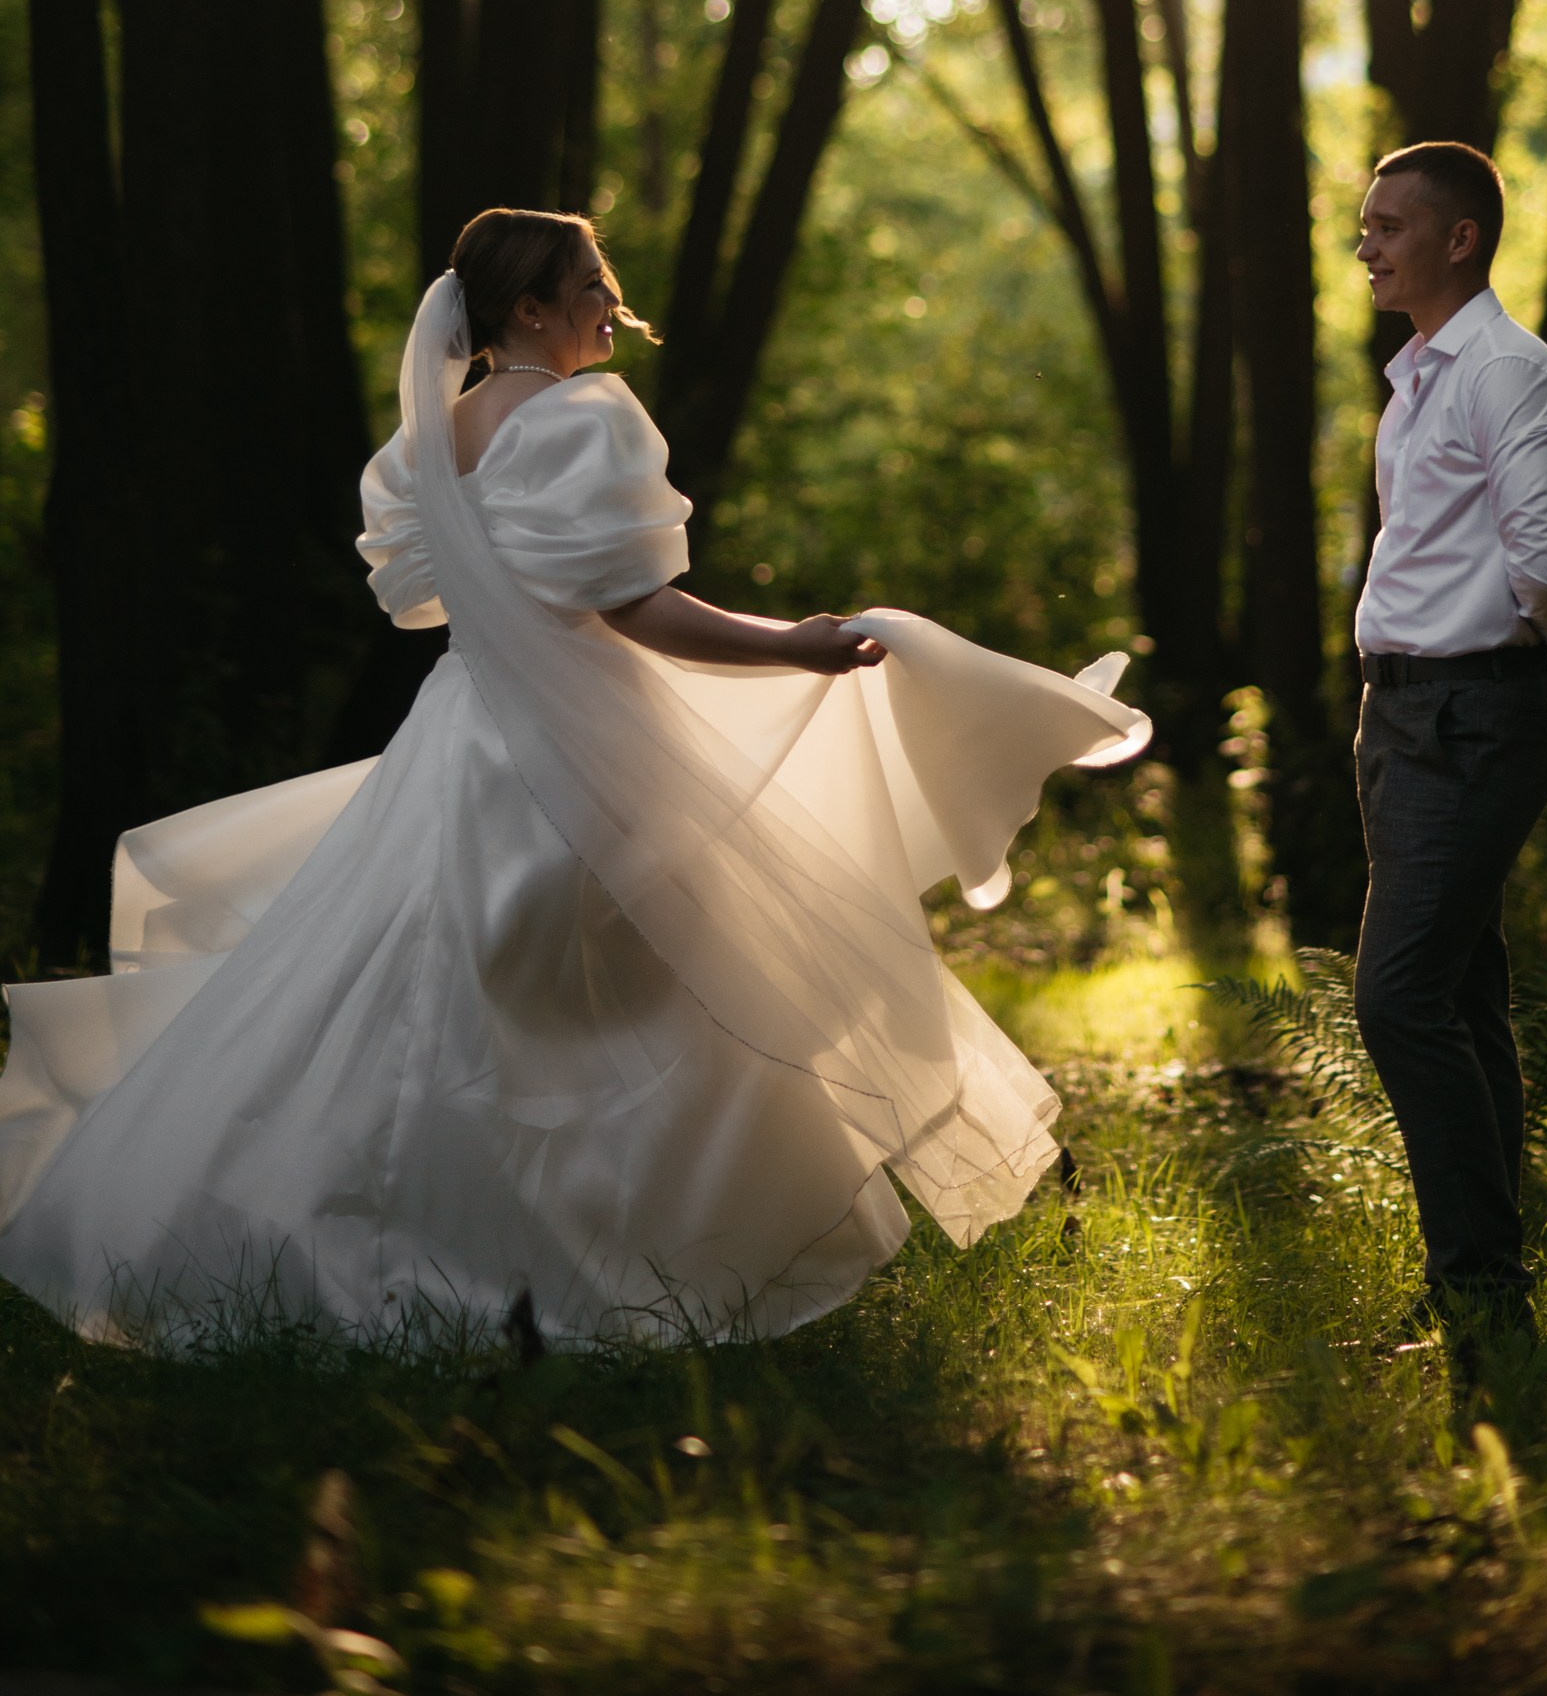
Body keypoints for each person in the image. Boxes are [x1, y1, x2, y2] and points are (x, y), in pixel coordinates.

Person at [0, 208, 1148, 1348]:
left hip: (460, 733)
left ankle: (421, 1234)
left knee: (442, 978)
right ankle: (637, 1244)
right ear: (527, 309)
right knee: (652, 973)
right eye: (590, 285)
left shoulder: (429, 440)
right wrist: (790, 645)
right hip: (578, 743)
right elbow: (633, 606)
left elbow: (428, 599)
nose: (611, 303)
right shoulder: (580, 417)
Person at [1349, 142, 1547, 1329]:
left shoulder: (1510, 372)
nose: (1365, 242)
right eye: (1363, 225)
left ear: (1458, 239)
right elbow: (1451, 549)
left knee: (1396, 997)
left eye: (1387, 225)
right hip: (1400, 709)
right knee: (1461, 993)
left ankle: (1479, 1285)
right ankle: (1488, 1271)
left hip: (1475, 715)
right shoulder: (1416, 371)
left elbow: (1543, 549)